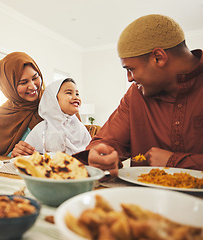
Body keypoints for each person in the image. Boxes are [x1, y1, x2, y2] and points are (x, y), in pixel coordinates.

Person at [77, 14, 203, 174]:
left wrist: (173, 161)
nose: (129, 79)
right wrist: (98, 154)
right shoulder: (135, 94)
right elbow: (108, 140)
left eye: (130, 69)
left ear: (158, 58)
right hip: (140, 198)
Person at [0, 52, 45, 157]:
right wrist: (13, 154)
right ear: (8, 86)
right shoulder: (3, 114)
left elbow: (78, 146)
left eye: (35, 78)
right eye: (23, 82)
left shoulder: (55, 103)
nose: (33, 86)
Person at [24, 78, 91, 155]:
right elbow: (27, 154)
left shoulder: (80, 128)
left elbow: (90, 150)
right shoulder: (43, 128)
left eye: (77, 94)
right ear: (53, 100)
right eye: (69, 93)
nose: (76, 97)